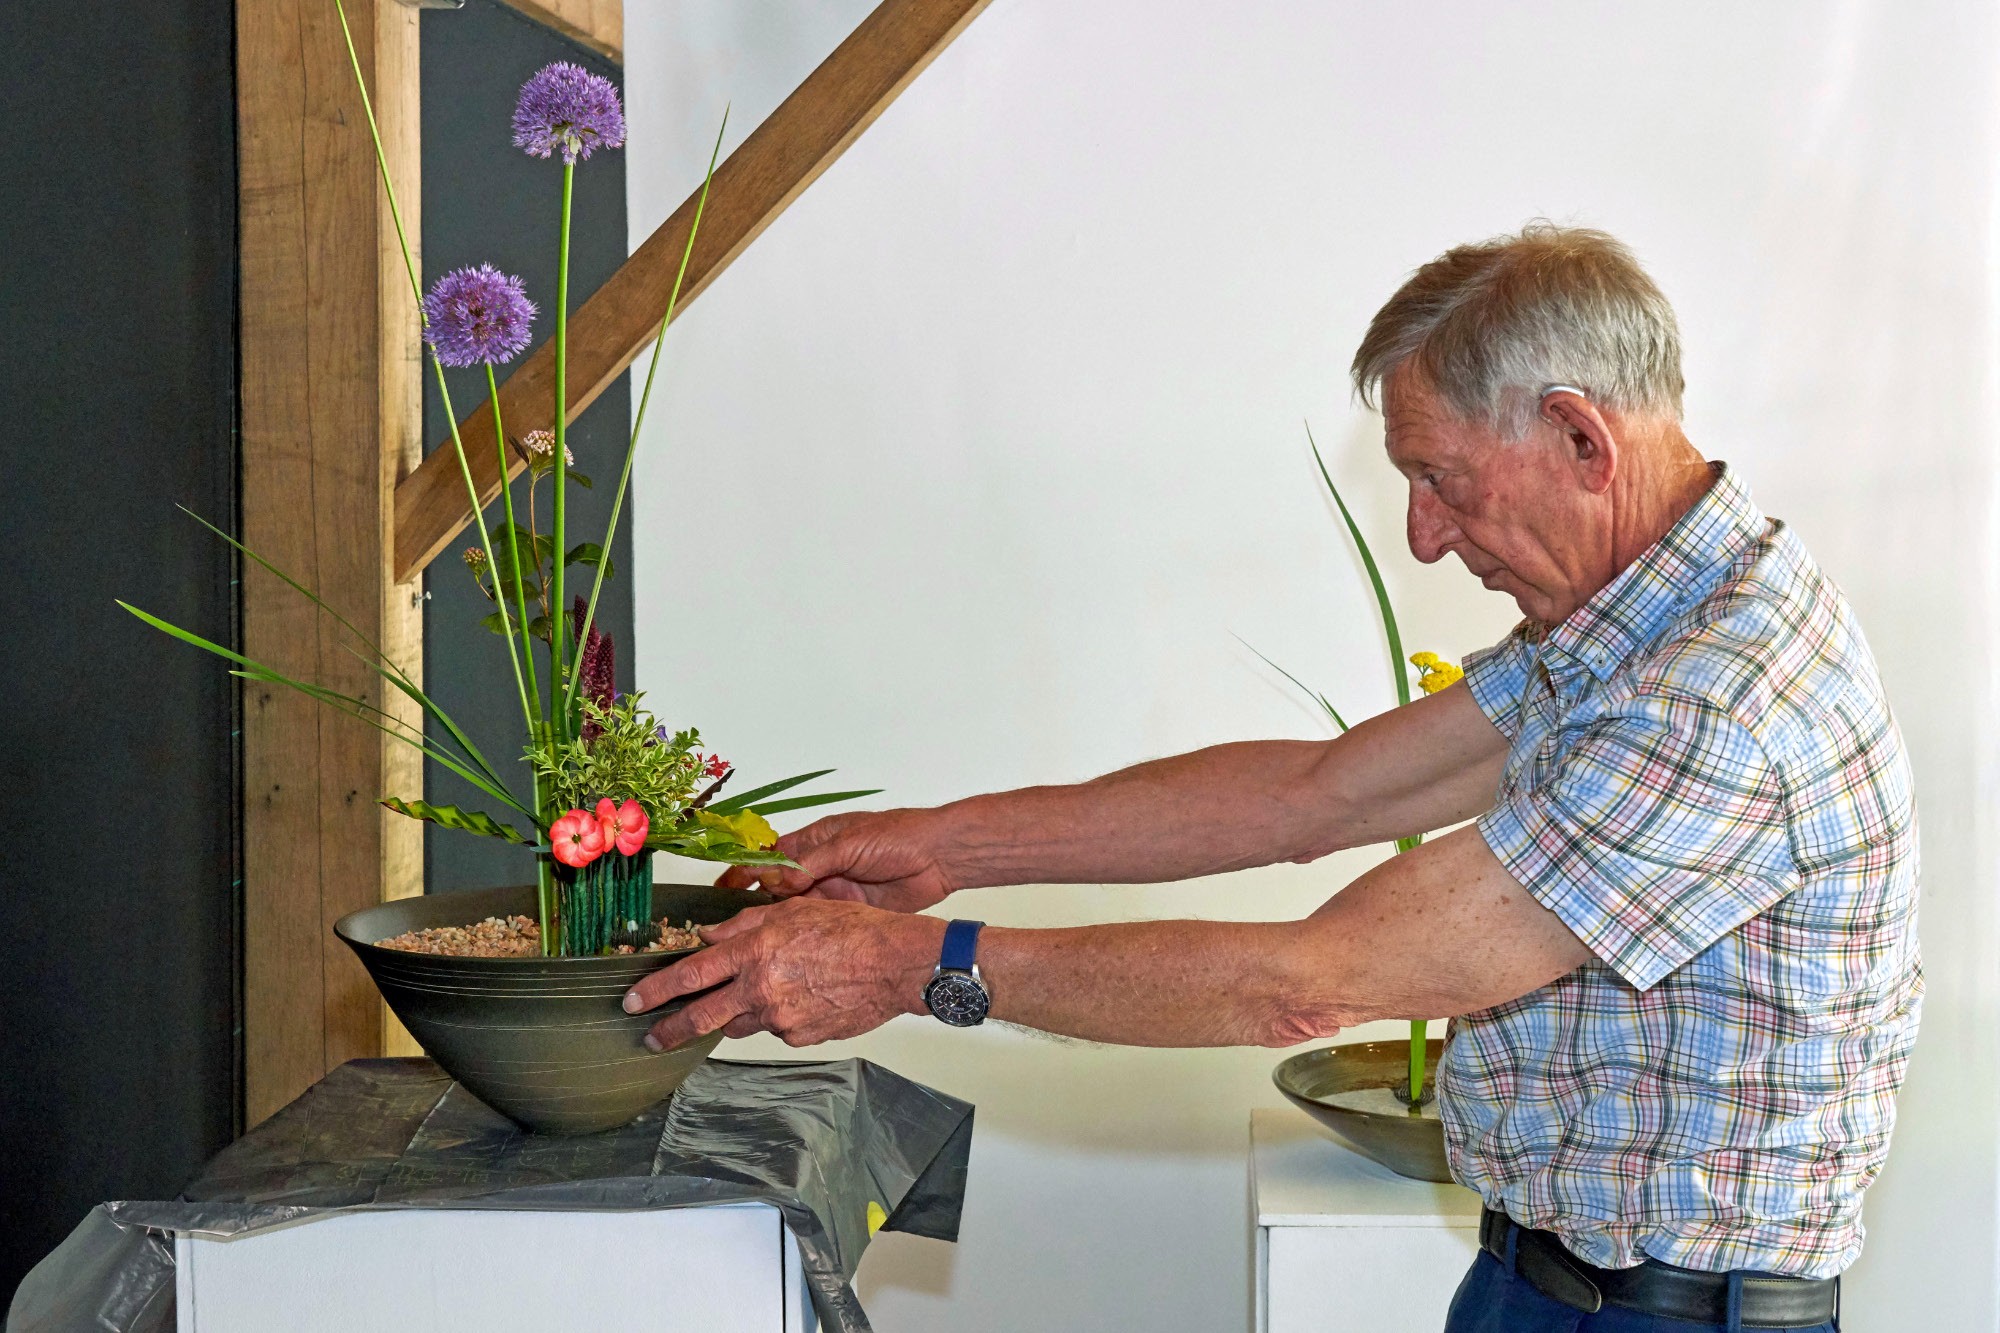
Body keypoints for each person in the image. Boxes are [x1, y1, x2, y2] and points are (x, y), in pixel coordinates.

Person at [623, 223, 1920, 1332]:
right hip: (1543, 1283)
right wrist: (949, 845)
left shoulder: (1713, 699)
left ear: (1582, 436)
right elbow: (1319, 794)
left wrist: (905, 965)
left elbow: (1305, 983)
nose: (1424, 534)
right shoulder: (1624, 627)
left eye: (1441, 480)